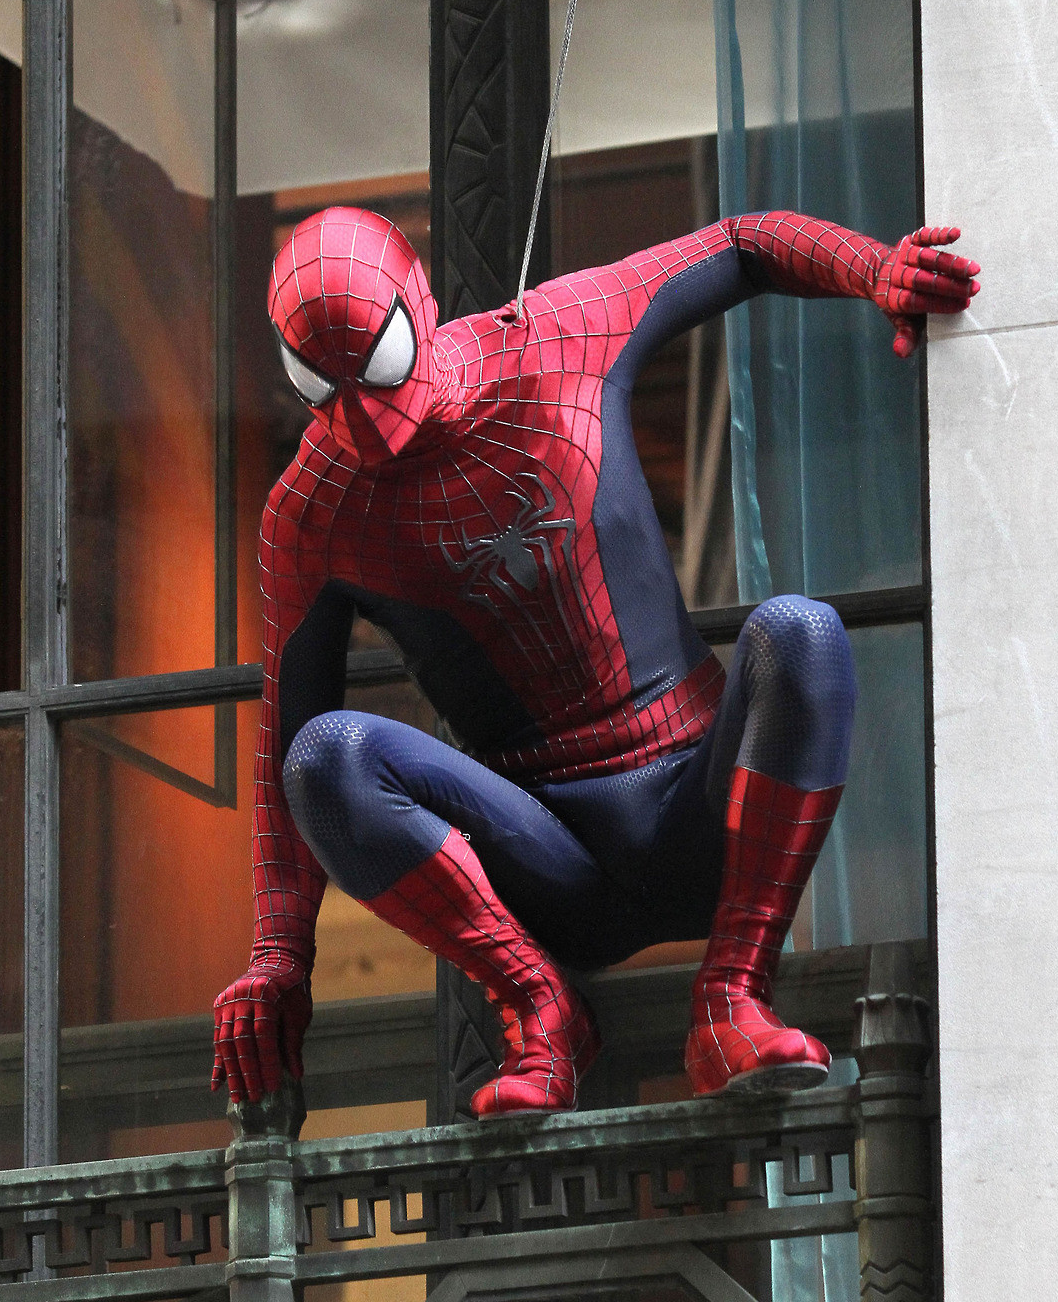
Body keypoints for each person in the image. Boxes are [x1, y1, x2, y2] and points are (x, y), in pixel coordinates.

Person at [211, 207, 978, 1117]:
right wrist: (278, 956)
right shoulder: (308, 514)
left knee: (799, 634)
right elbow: (288, 746)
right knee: (324, 757)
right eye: (321, 386)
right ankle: (540, 1010)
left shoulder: (559, 335)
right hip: (549, 863)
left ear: (421, 304)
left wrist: (873, 269)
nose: (365, 420)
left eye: (377, 365)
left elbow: (739, 245)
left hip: (704, 808)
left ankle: (733, 993)